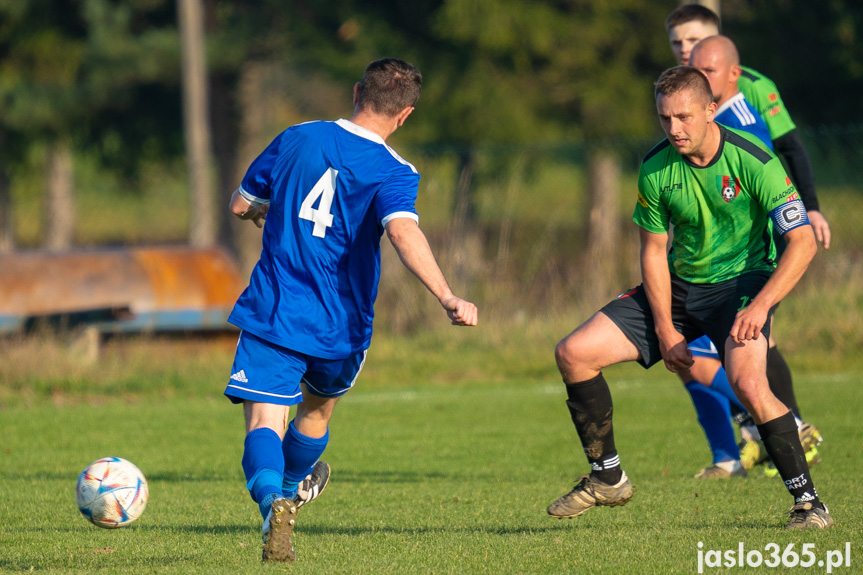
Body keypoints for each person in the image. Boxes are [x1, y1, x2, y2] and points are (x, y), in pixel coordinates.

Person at [548, 66, 832, 530]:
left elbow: (800, 242)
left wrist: (761, 306)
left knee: (749, 385)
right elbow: (654, 250)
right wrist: (664, 328)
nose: (674, 129)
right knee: (574, 353)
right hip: (680, 287)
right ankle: (608, 477)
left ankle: (809, 504)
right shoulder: (656, 166)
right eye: (664, 118)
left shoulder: (754, 159)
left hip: (743, 286)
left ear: (710, 109)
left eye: (683, 117)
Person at [224, 58, 479, 562]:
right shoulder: (395, 171)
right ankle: (293, 494)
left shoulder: (297, 136)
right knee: (316, 413)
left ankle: (275, 500)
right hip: (342, 325)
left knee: (263, 427)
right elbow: (404, 232)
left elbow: (240, 203)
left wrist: (259, 209)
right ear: (405, 115)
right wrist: (448, 295)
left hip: (276, 309)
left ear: (357, 90)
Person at [664, 4, 827, 474]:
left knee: (702, 354)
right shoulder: (688, 103)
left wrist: (805, 210)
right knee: (738, 351)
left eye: (697, 47)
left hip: (741, 260)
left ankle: (787, 425)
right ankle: (742, 444)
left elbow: (783, 155)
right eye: (679, 46)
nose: (688, 54)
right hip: (706, 257)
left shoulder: (744, 110)